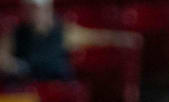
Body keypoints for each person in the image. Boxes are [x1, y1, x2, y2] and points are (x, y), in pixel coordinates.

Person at [0, 0, 139, 83]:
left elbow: (96, 37)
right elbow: (3, 56)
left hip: (59, 85)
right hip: (29, 88)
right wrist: (11, 64)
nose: (34, 13)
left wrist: (121, 38)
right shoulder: (15, 35)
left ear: (48, 9)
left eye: (37, 9)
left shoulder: (64, 31)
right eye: (29, 9)